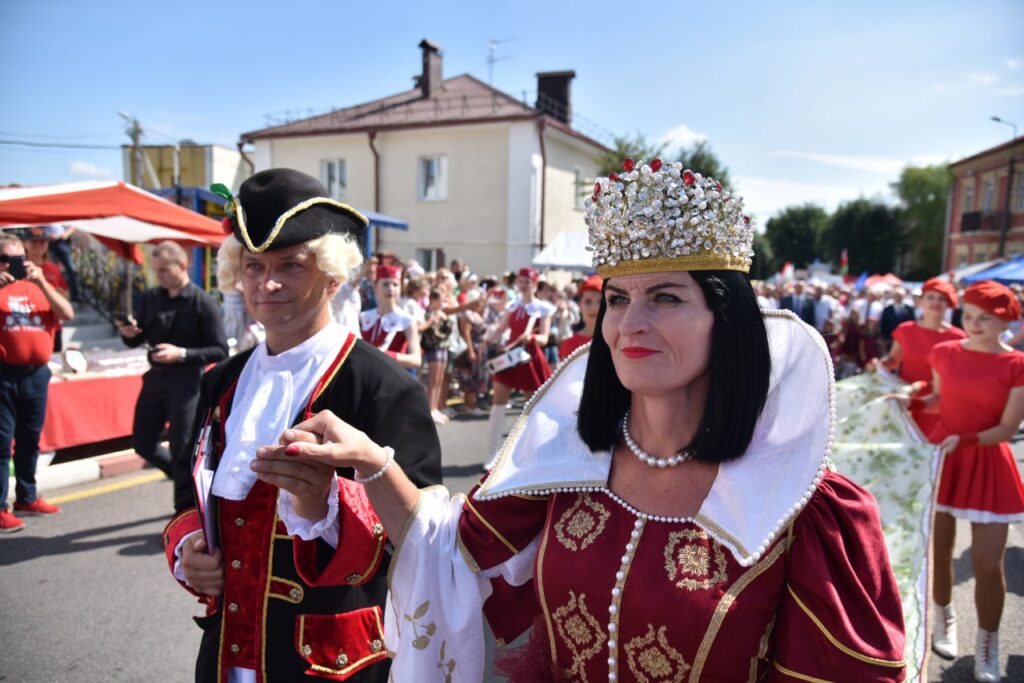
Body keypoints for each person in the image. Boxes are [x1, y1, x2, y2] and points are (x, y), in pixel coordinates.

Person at [257, 162, 907, 681]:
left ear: (727, 320)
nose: (630, 323)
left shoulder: (797, 504)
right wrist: (373, 463)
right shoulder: (567, 462)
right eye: (618, 299)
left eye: (666, 297)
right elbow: (449, 552)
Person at [163, 168, 442, 682]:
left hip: (327, 661)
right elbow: (189, 486)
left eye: (290, 266)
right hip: (226, 649)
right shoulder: (221, 380)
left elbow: (421, 536)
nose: (266, 284)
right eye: (253, 266)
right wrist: (188, 549)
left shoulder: (382, 385)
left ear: (332, 277)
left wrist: (325, 505)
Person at [891, 280, 1024, 682]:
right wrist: (912, 398)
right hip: (945, 458)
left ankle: (988, 644)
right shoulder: (944, 352)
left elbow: (1008, 428)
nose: (974, 324)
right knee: (940, 551)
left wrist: (965, 440)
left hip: (987, 460)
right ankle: (943, 618)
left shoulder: (1016, 364)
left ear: (1006, 321)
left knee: (988, 561)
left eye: (985, 318)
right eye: (968, 315)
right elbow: (939, 399)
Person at [116, 241, 228, 512]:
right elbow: (139, 338)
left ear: (182, 266)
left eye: (164, 270)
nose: (160, 276)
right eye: (157, 270)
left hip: (187, 382)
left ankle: (184, 510)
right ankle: (188, 482)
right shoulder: (153, 297)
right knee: (142, 443)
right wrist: (129, 333)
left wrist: (182, 354)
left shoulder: (202, 302)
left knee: (182, 449)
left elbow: (220, 350)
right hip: (156, 378)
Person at [0, 232, 73, 532]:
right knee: (2, 443)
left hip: (36, 374)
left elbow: (67, 313)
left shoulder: (40, 286)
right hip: (4, 374)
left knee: (30, 440)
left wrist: (42, 281)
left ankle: (27, 497)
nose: (11, 265)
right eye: (4, 259)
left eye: (17, 259)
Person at [872, 278, 965, 435]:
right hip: (905, 399)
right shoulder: (905, 330)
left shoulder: (959, 338)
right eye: (930, 297)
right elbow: (893, 361)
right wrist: (880, 364)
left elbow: (957, 377)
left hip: (939, 406)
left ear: (949, 304)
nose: (935, 302)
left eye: (941, 299)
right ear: (920, 301)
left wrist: (925, 385)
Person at [483, 266, 554, 462]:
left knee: (532, 407)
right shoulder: (512, 306)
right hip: (509, 359)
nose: (523, 285)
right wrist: (488, 340)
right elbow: (501, 329)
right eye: (520, 282)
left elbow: (545, 338)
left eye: (527, 282)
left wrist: (531, 337)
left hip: (529, 358)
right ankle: (493, 454)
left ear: (535, 284)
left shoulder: (542, 308)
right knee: (498, 403)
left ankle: (533, 451)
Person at [359, 264, 421, 371]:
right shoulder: (364, 317)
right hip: (365, 374)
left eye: (395, 285)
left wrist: (385, 355)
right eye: (386, 284)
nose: (391, 288)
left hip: (391, 376)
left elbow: (416, 359)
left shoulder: (407, 319)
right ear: (376, 287)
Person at [21, 227, 69, 352]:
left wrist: (60, 294)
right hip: (27, 326)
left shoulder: (54, 268)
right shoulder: (19, 269)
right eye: (34, 241)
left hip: (53, 326)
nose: (38, 245)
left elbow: (65, 294)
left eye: (42, 241)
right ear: (25, 243)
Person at [420, 288, 455, 424]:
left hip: (443, 347)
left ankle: (435, 408)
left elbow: (448, 331)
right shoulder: (428, 314)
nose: (442, 303)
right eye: (440, 300)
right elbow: (434, 335)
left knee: (440, 379)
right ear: (433, 300)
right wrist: (436, 320)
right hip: (433, 348)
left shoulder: (442, 313)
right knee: (433, 379)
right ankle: (430, 409)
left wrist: (446, 320)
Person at [453, 288, 489, 416]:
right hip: (472, 349)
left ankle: (472, 404)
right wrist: (471, 351)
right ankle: (470, 405)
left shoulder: (476, 314)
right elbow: (466, 334)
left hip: (480, 350)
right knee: (471, 379)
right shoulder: (467, 315)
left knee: (477, 378)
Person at [558, 273, 602, 359]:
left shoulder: (616, 343)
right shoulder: (569, 345)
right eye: (588, 302)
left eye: (600, 302)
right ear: (580, 306)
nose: (594, 308)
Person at [44, 224, 80, 301]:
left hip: (62, 242)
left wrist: (65, 234)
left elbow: (74, 226)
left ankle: (74, 294)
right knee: (51, 269)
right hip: (48, 242)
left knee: (71, 269)